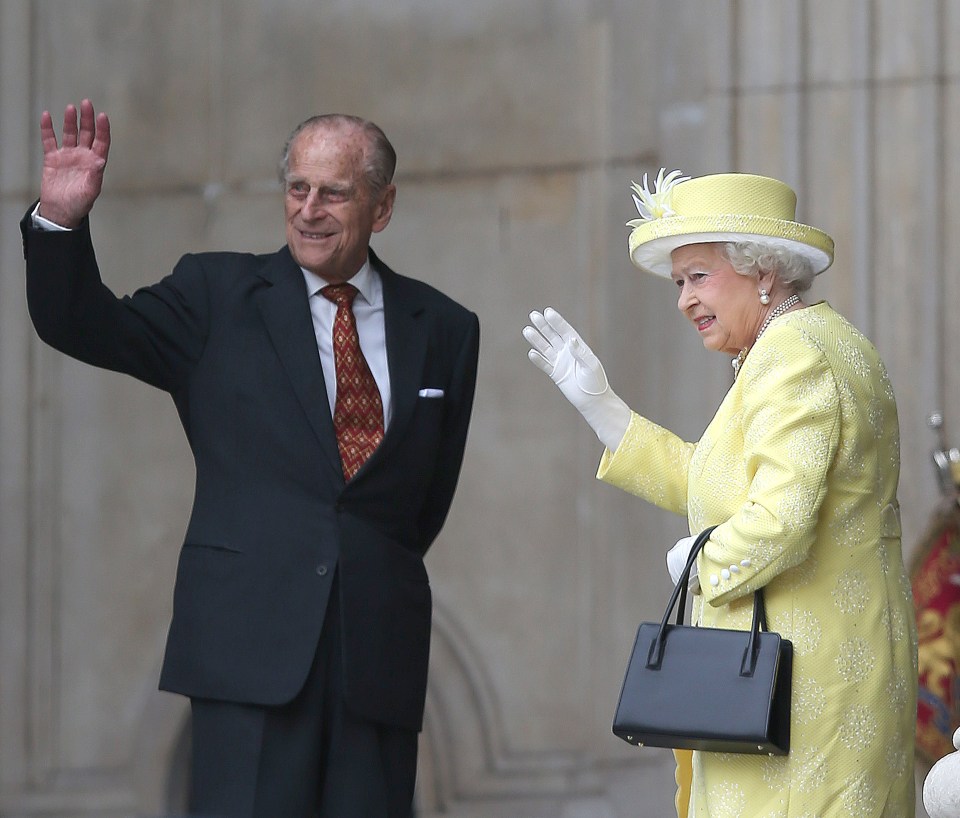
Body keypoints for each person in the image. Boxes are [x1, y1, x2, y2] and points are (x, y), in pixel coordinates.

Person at [21, 99, 480, 817]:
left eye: (333, 192)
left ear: (382, 206)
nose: (308, 209)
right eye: (297, 188)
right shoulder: (216, 295)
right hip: (249, 653)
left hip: (376, 663)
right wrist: (61, 221)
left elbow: (423, 500)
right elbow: (83, 324)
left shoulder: (447, 328)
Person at [523, 170, 917, 816]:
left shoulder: (791, 356)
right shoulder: (806, 343)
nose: (683, 300)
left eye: (698, 277)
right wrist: (605, 411)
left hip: (802, 706)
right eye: (679, 282)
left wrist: (698, 564)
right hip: (814, 690)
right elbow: (722, 484)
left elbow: (779, 520)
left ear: (763, 271)